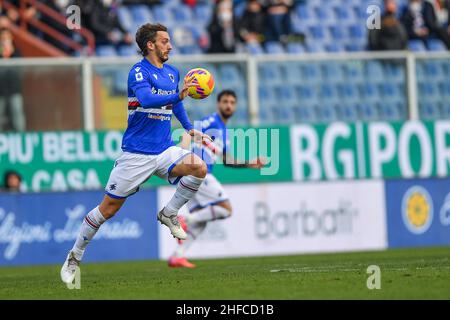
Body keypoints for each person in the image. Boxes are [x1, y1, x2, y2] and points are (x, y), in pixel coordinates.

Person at [61, 23, 211, 284]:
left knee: (199, 167)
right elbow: (147, 101)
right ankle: (75, 255)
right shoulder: (138, 72)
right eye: (165, 41)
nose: (170, 46)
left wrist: (189, 128)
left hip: (164, 148)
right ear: (150, 45)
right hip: (137, 154)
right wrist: (178, 95)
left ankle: (169, 213)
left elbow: (175, 106)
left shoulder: (173, 73)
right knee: (107, 210)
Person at [168, 89, 265, 268]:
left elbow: (227, 160)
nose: (228, 105)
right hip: (199, 172)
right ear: (218, 104)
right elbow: (186, 133)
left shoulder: (223, 130)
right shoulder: (211, 121)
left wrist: (249, 164)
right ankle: (183, 220)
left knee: (201, 221)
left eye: (232, 102)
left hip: (197, 174)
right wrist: (183, 158)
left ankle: (177, 256)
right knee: (226, 208)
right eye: (225, 101)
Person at [0, 28, 25, 132]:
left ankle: (21, 137)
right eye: (3, 38)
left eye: (7, 37)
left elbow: (19, 69)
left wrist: (10, 53)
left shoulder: (17, 52)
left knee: (17, 115)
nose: (5, 40)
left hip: (14, 90)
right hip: (0, 91)